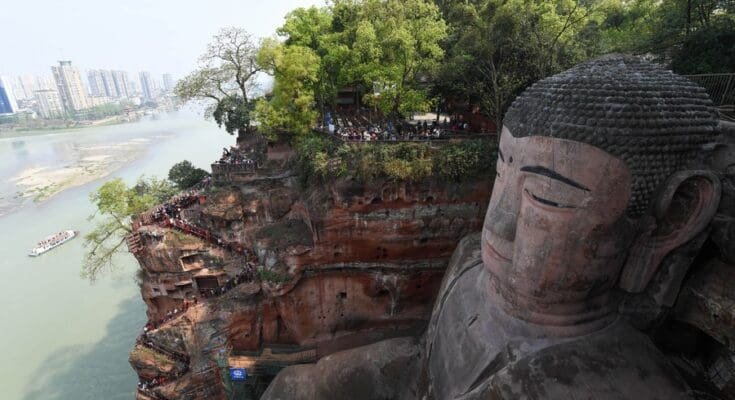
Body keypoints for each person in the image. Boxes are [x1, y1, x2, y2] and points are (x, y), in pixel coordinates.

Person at [261, 55, 722, 400]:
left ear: (671, 220)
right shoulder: (468, 258)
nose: (496, 225)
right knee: (292, 386)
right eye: (501, 176)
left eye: (546, 197)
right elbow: (421, 358)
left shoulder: (617, 383)